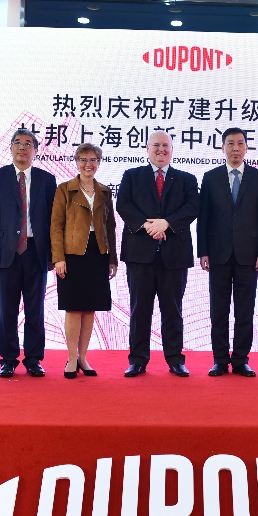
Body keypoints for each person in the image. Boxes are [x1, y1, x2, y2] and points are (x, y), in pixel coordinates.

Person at [116, 130, 199, 377]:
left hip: (174, 255)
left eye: (166, 145)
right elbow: (123, 204)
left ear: (172, 150)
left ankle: (175, 359)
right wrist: (147, 225)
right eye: (156, 145)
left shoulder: (186, 179)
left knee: (173, 310)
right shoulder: (132, 176)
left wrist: (167, 223)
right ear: (147, 148)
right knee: (140, 309)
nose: (161, 150)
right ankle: (137, 360)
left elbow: (193, 207)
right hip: (140, 254)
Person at [0, 129, 57, 378]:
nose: (22, 147)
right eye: (18, 143)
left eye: (28, 144)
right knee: (7, 309)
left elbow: (53, 221)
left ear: (36, 150)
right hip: (6, 253)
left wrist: (53, 255)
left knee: (35, 309)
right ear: (11, 148)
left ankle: (34, 359)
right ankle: (8, 359)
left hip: (36, 251)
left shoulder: (47, 179)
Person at [197, 127, 258, 377]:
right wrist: (203, 251)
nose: (235, 148)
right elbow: (204, 217)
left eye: (240, 143)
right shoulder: (211, 177)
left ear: (246, 147)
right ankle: (219, 359)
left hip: (249, 255)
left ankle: (240, 360)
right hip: (218, 254)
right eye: (230, 143)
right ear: (223, 148)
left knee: (244, 310)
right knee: (218, 310)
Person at [51, 143, 118, 379]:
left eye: (93, 160)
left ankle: (83, 358)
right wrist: (58, 258)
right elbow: (56, 226)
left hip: (97, 253)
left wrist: (112, 258)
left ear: (98, 163)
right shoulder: (64, 189)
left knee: (90, 307)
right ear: (77, 162)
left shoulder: (105, 191)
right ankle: (71, 358)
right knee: (73, 307)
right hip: (72, 253)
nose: (88, 164)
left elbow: (110, 226)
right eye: (83, 160)